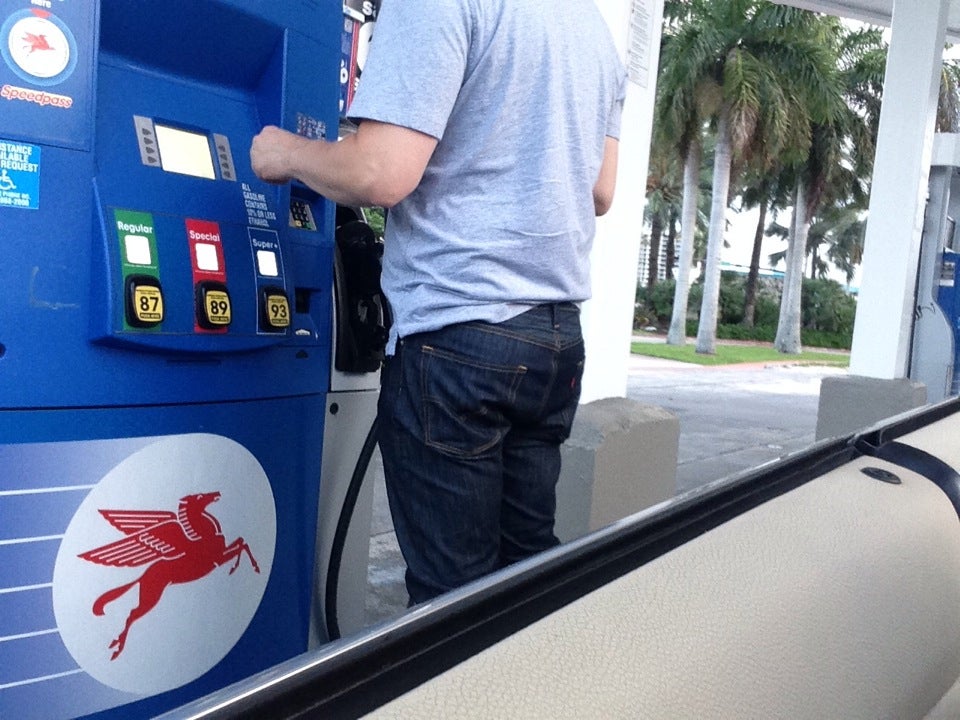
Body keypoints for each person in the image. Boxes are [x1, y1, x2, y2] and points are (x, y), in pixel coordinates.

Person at [250, 0, 626, 604]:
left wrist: (285, 154)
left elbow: (379, 173)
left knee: (451, 600)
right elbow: (601, 190)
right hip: (553, 340)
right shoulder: (590, 27)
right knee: (527, 575)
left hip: (459, 337)